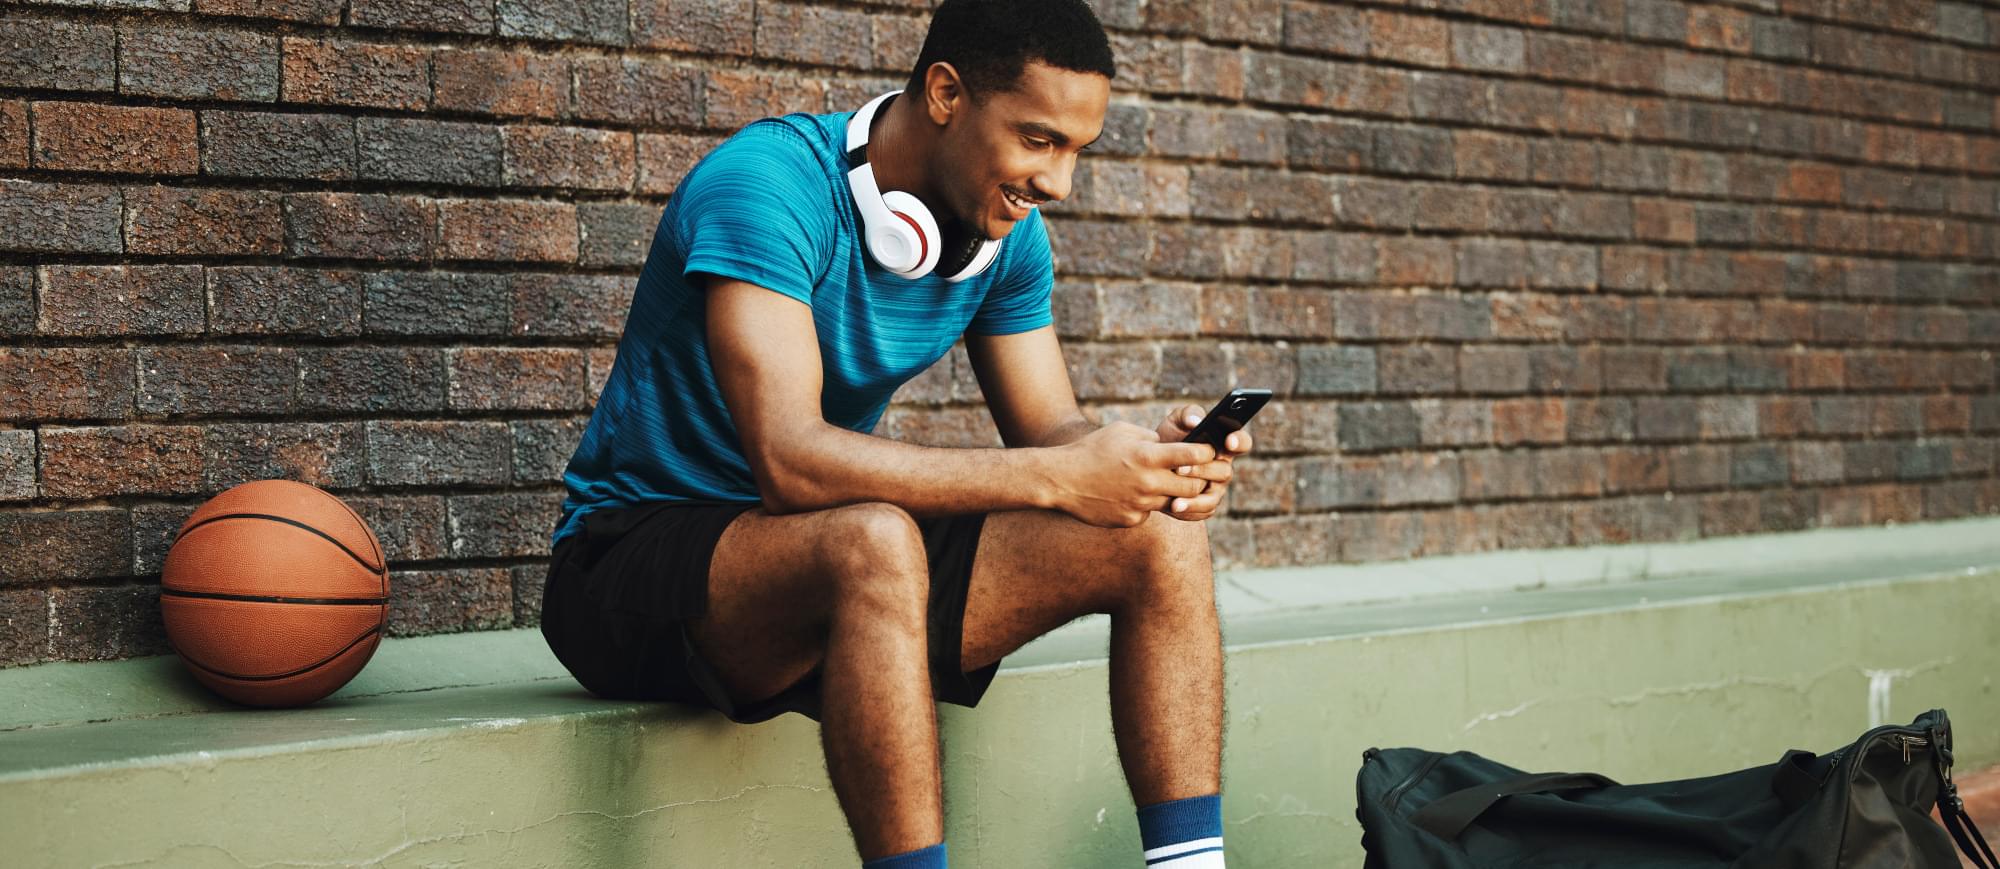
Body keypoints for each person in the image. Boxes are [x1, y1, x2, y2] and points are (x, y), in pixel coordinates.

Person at [539, 1, 1253, 866]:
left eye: (1075, 150)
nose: (1058, 183)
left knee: (1158, 540)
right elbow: (791, 462)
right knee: (873, 540)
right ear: (946, 93)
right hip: (629, 566)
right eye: (1038, 140)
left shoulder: (1005, 238)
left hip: (824, 560)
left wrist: (1146, 462)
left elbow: (1052, 432)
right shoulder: (767, 187)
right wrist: (1061, 478)